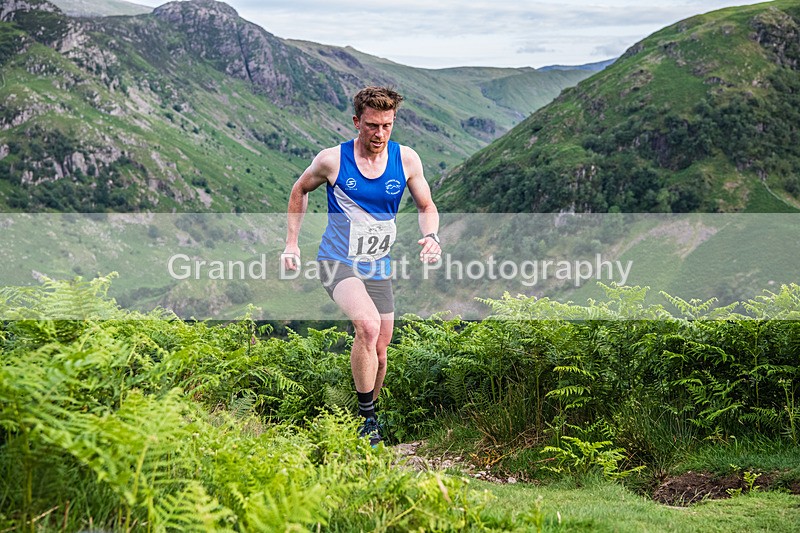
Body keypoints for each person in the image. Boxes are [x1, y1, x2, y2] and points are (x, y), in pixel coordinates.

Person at [282, 86, 441, 446]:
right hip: (336, 261)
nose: (379, 134)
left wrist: (432, 237)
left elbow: (426, 206)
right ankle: (367, 425)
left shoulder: (407, 160)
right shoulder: (332, 161)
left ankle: (369, 416)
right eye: (372, 125)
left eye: (387, 125)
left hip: (377, 265)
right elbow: (299, 190)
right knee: (367, 328)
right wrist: (291, 244)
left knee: (381, 350)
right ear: (357, 122)